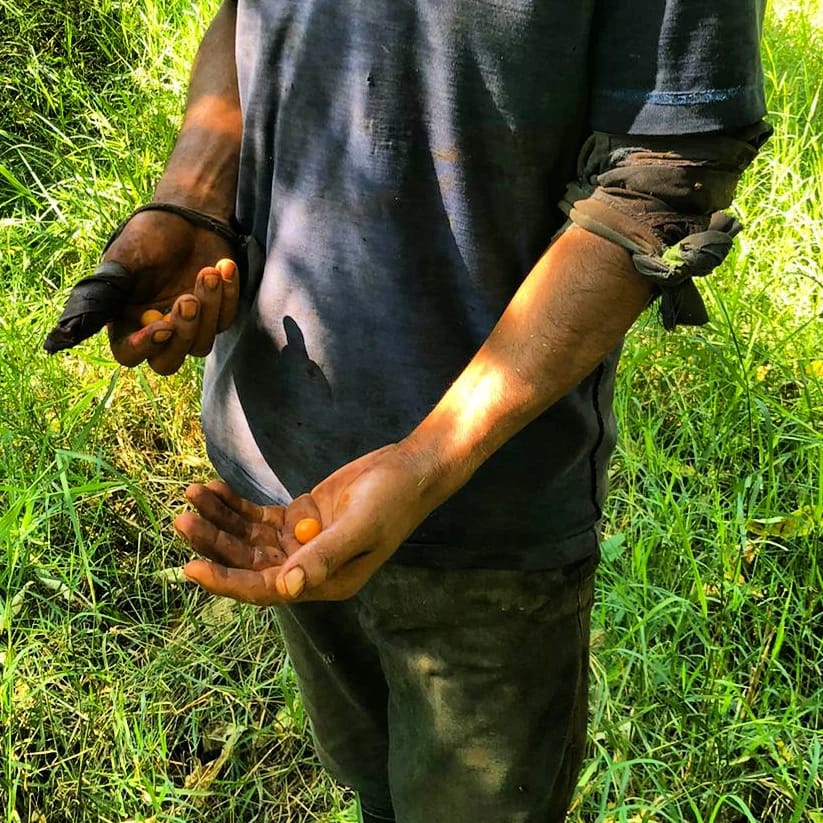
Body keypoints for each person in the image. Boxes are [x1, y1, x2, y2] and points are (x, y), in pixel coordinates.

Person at [47, 1, 771, 820]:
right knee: (370, 785)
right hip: (276, 468)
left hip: (489, 523)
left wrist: (430, 458)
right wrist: (192, 199)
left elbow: (662, 177)